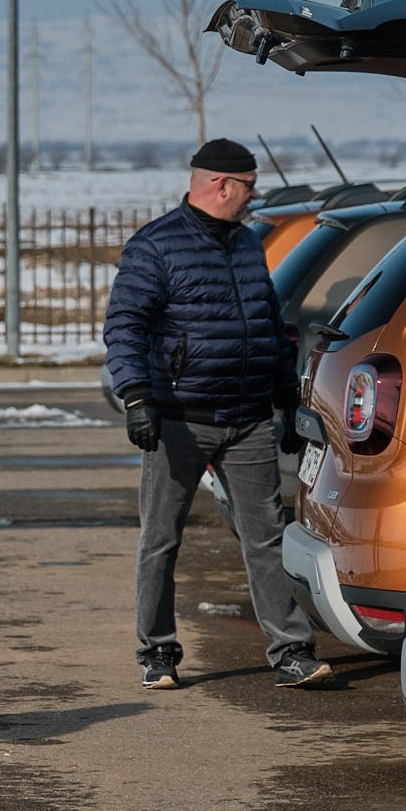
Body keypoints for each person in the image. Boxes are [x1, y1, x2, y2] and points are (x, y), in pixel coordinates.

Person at [103, 139, 331, 689]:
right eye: (249, 186)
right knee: (162, 537)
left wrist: (285, 398)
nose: (254, 196)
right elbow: (124, 326)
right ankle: (157, 653)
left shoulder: (250, 245)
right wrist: (136, 398)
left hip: (248, 417)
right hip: (180, 417)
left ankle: (292, 651)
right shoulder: (155, 247)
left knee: (267, 536)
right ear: (220, 185)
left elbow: (267, 325)